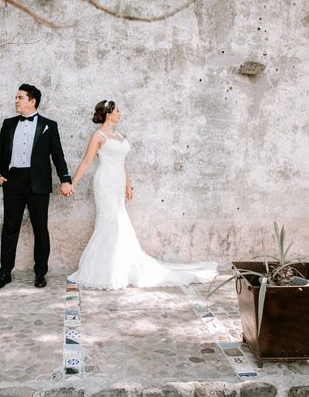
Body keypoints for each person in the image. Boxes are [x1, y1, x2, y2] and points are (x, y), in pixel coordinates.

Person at [68, 100, 218, 290]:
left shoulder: (119, 136)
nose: (120, 114)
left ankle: (120, 265)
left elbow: (122, 163)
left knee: (119, 220)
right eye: (117, 111)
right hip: (104, 183)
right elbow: (87, 161)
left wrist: (128, 186)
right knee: (108, 221)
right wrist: (72, 183)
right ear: (108, 114)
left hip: (118, 183)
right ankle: (105, 270)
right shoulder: (98, 136)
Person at [0, 84, 73, 290]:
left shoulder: (49, 125)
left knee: (40, 228)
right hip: (13, 182)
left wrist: (65, 179)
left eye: (20, 97)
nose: (16, 101)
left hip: (38, 183)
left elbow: (58, 155)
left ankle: (40, 273)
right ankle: (5, 273)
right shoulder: (8, 124)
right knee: (10, 228)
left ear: (32, 100)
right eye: (16, 97)